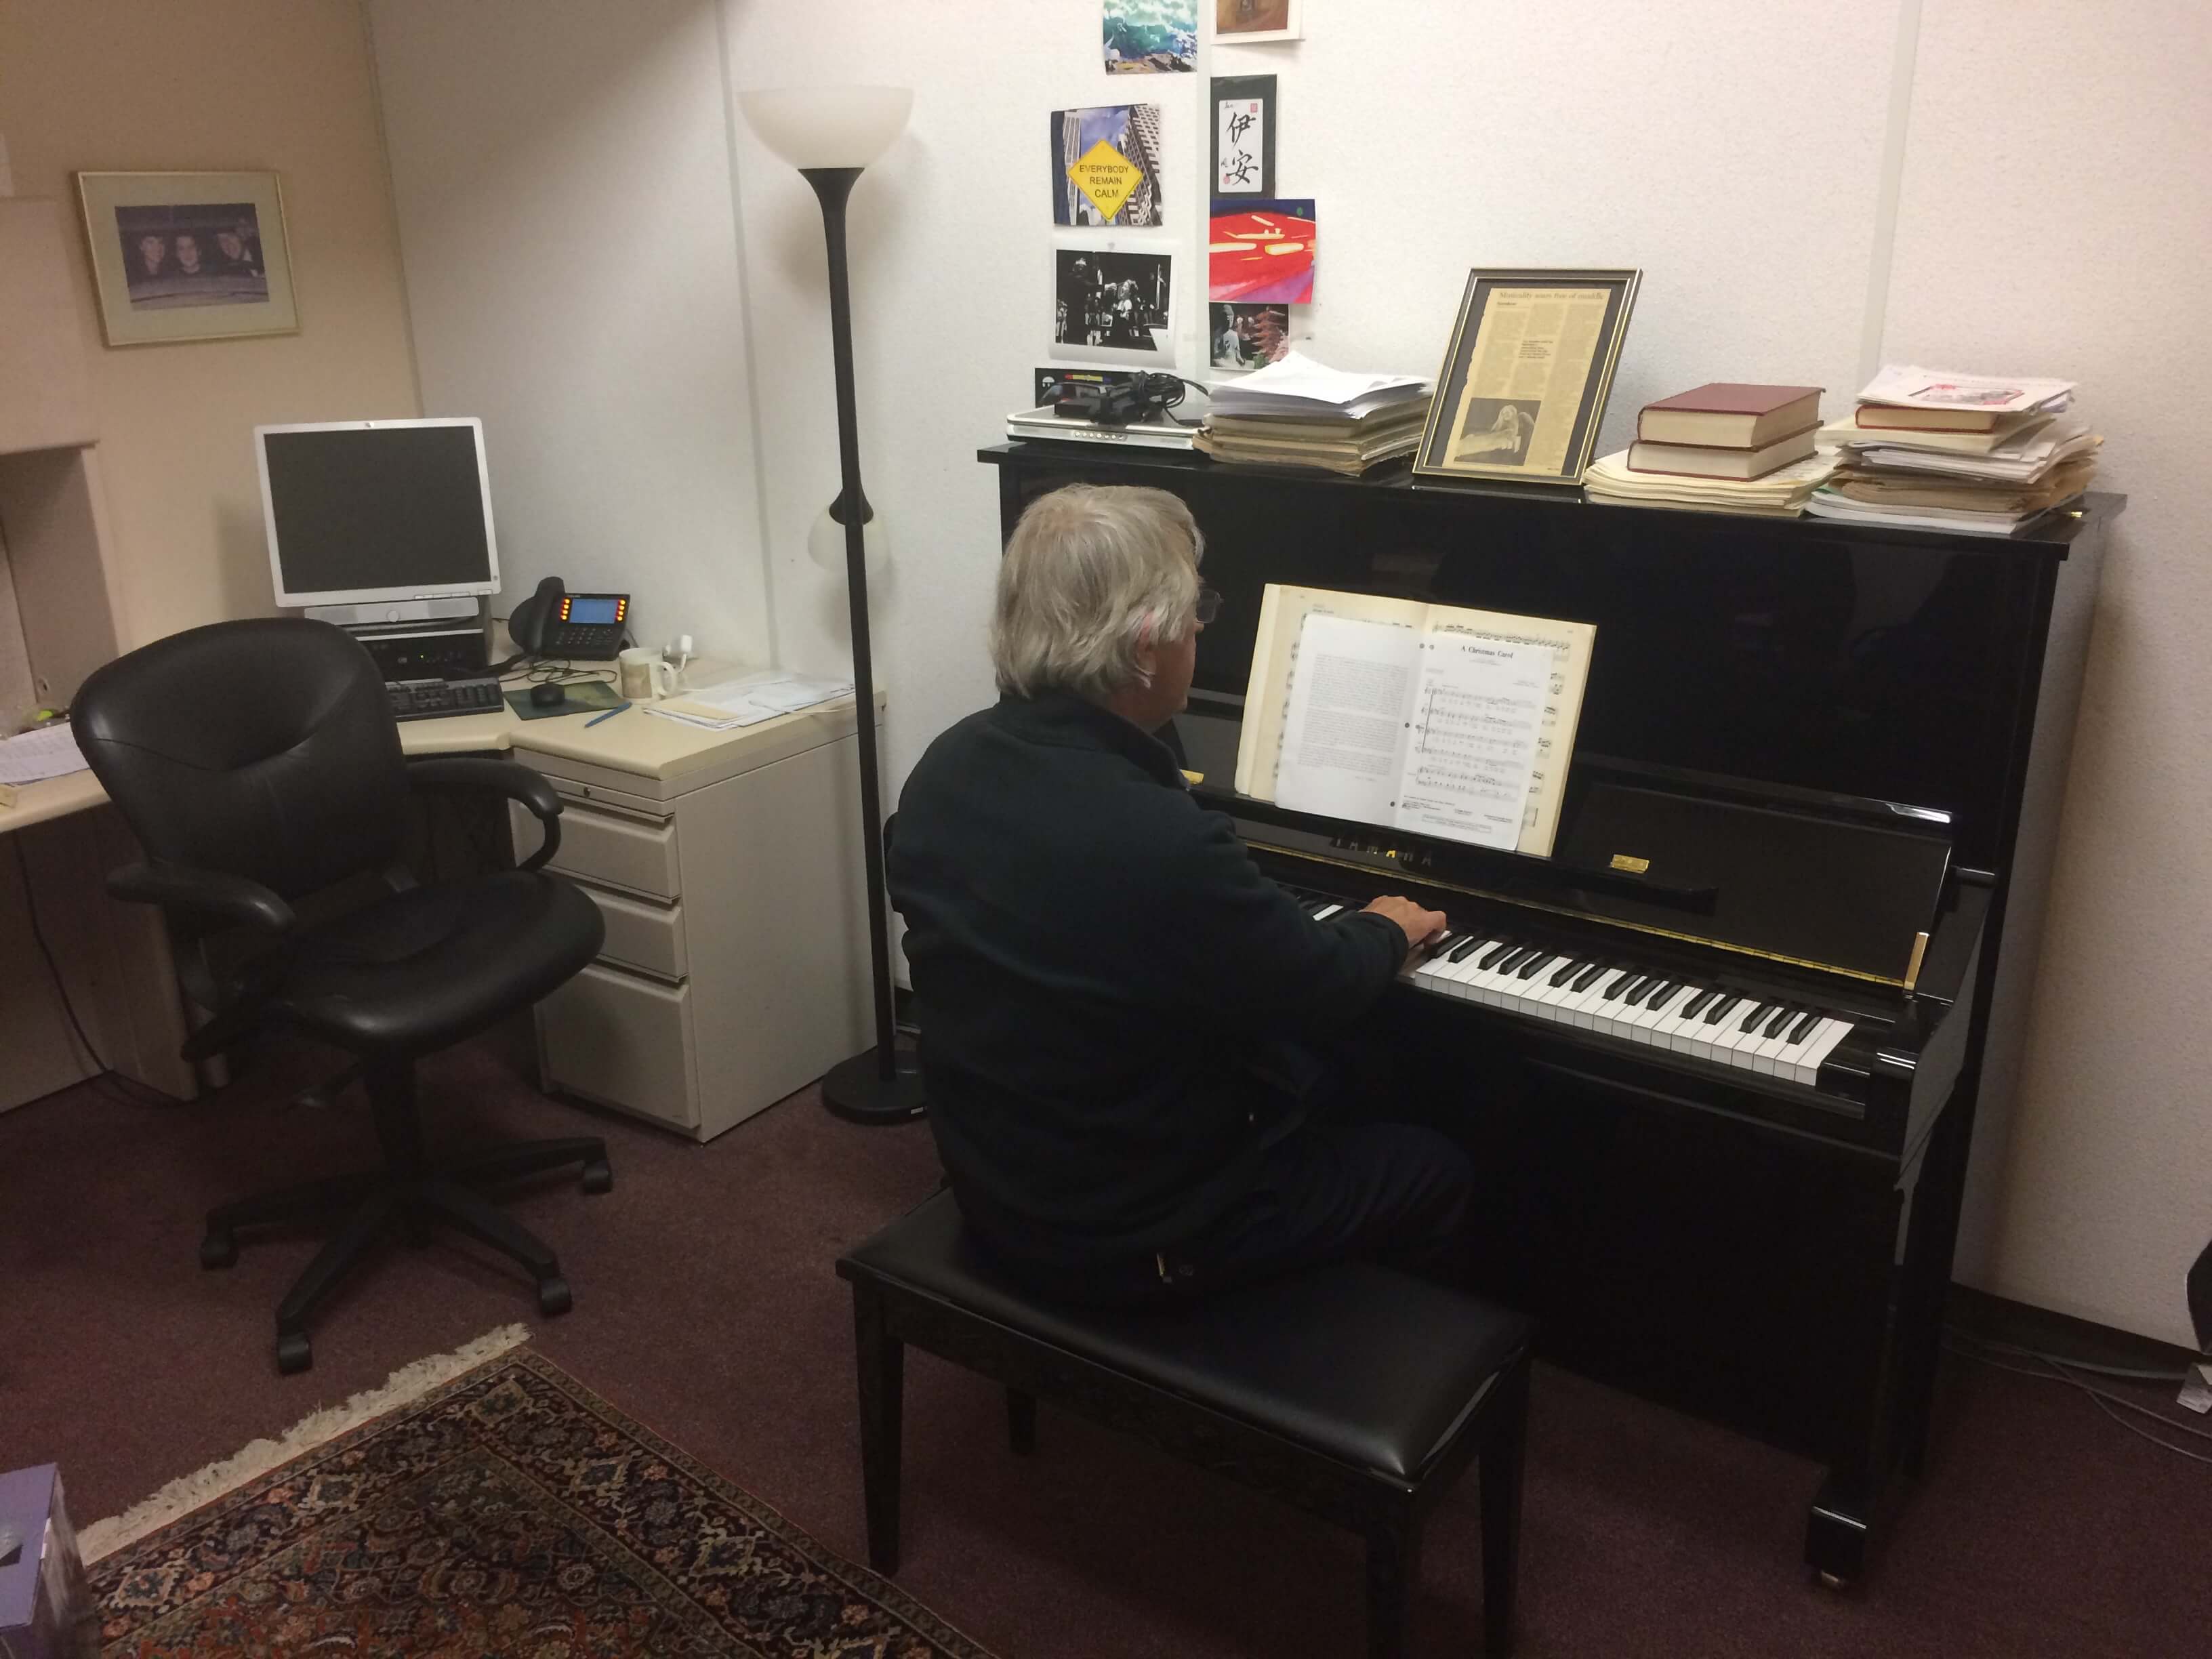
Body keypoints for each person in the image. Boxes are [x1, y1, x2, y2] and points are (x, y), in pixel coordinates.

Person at [888, 483, 1473, 1307]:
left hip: (1001, 1182)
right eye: (1196, 610)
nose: (1202, 628)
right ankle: (1309, 1350)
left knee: (1317, 1073)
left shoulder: (943, 769)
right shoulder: (1158, 838)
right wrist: (1386, 926)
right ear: (1147, 643)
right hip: (1138, 1237)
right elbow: (1320, 983)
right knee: (1434, 1168)